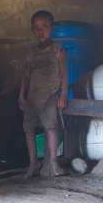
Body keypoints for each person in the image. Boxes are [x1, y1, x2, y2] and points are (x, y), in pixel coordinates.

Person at [18, 10, 69, 178]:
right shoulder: (32, 52)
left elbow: (64, 73)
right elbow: (26, 75)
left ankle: (53, 160)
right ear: (32, 30)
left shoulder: (57, 49)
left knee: (51, 127)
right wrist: (21, 96)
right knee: (28, 129)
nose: (40, 31)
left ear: (52, 28)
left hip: (50, 95)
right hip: (33, 96)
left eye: (45, 26)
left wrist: (63, 95)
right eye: (36, 27)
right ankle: (34, 162)